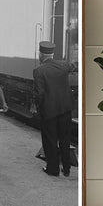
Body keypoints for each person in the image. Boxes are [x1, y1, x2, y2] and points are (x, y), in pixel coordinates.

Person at [33, 41, 73, 177]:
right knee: (65, 138)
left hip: (49, 111)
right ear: (52, 53)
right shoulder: (63, 65)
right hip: (65, 109)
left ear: (40, 54)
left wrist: (37, 108)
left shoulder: (39, 71)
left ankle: (53, 169)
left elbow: (39, 94)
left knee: (50, 140)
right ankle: (66, 169)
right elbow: (73, 67)